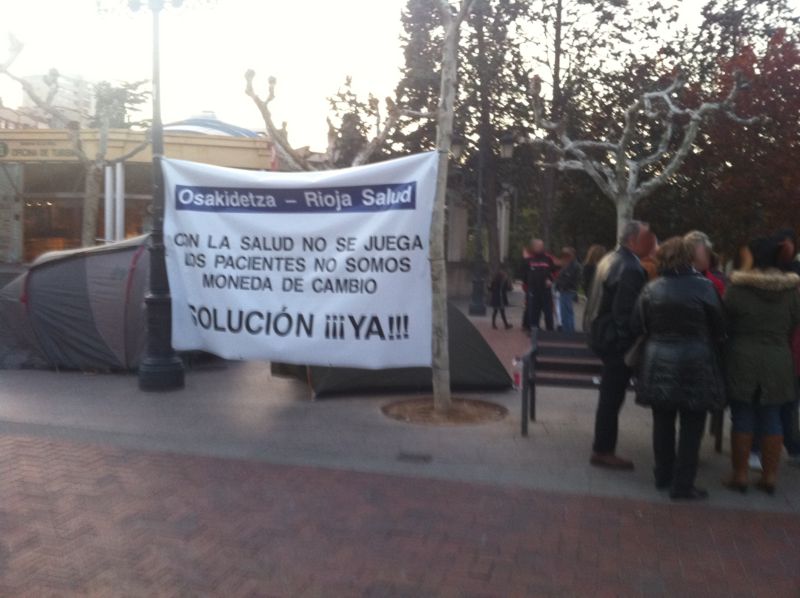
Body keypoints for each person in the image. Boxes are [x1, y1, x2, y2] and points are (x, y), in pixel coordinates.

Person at [631, 237, 726, 500]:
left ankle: (663, 475)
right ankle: (683, 483)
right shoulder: (705, 287)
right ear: (689, 257)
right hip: (696, 361)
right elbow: (720, 327)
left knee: (662, 421)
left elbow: (637, 324)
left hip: (658, 361)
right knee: (692, 425)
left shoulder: (652, 288)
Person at [723, 237, 800, 494]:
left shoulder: (737, 289)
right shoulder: (791, 291)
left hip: (742, 356)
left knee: (742, 415)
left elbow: (725, 319)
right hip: (778, 358)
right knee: (772, 416)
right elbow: (794, 323)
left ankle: (740, 474)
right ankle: (770, 477)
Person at [588, 221, 649, 469]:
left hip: (603, 335)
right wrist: (627, 345)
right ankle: (603, 450)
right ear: (633, 240)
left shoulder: (610, 259)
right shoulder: (631, 267)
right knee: (611, 398)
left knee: (609, 397)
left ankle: (602, 448)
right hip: (616, 342)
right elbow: (626, 312)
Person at [517, 239, 556, 331]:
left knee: (548, 312)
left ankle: (550, 331)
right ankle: (534, 331)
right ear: (533, 247)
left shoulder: (548, 259)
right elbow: (523, 274)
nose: (540, 248)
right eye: (538, 246)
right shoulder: (528, 260)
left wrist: (550, 279)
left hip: (545, 291)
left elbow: (554, 272)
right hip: (533, 291)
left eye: (541, 246)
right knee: (534, 312)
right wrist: (527, 286)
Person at [684, 230, 725, 297]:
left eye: (708, 251)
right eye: (706, 251)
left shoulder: (715, 283)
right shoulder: (677, 278)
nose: (708, 254)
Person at [555, 247, 581, 333]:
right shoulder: (568, 265)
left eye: (567, 255)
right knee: (565, 311)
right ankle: (567, 329)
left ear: (572, 255)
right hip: (565, 290)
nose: (565, 257)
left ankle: (568, 330)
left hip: (567, 290)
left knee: (566, 311)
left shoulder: (574, 266)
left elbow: (568, 278)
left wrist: (561, 285)